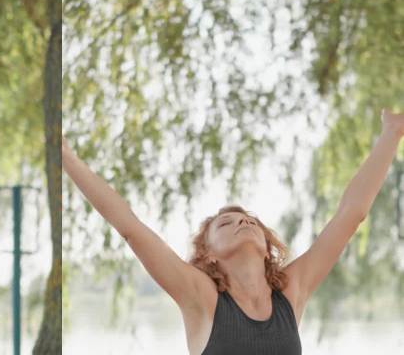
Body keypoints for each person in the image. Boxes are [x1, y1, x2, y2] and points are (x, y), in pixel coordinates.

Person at [62, 108, 404, 354]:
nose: (243, 221)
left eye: (251, 221)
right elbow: (131, 228)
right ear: (208, 254)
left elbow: (350, 215)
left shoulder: (290, 293)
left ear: (265, 245)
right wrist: (66, 157)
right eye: (226, 223)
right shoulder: (201, 298)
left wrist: (391, 133)